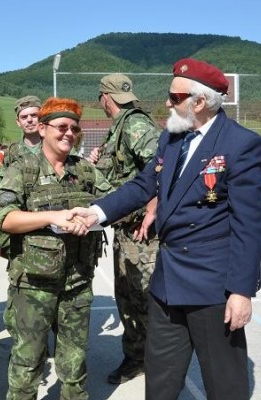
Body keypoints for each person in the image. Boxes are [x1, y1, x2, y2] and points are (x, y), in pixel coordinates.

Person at [70, 58, 261, 400]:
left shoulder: (240, 144)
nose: (166, 103)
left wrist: (241, 291)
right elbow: (143, 185)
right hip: (166, 284)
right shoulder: (172, 139)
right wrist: (95, 213)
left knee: (224, 385)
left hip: (212, 289)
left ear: (200, 102)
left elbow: (250, 225)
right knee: (159, 382)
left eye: (174, 98)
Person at [0, 97, 112, 399]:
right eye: (61, 127)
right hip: (33, 286)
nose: (68, 133)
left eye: (74, 129)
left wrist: (96, 214)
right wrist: (51, 216)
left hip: (77, 282)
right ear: (43, 129)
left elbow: (115, 201)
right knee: (27, 363)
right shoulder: (23, 169)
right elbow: (4, 219)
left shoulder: (85, 171)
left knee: (74, 364)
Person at [89, 73, 161, 384]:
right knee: (129, 298)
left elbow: (161, 165)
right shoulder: (120, 129)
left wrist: (153, 209)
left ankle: (155, 361)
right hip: (126, 230)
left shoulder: (134, 124)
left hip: (140, 232)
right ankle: (137, 358)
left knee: (144, 299)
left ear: (105, 98)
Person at [0, 95, 42, 179]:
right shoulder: (11, 153)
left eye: (34, 115)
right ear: (18, 122)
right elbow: (2, 184)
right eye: (24, 117)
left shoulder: (55, 147)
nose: (29, 120)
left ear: (42, 117)